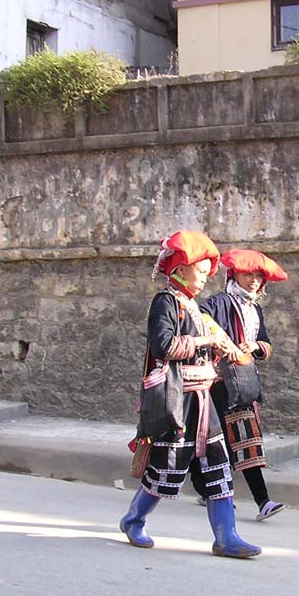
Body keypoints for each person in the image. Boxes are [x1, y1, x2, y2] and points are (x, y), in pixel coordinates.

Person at [119, 230, 261, 559]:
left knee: (218, 466)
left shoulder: (194, 308)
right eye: (200, 271)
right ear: (181, 269)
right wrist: (205, 342)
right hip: (178, 402)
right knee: (168, 468)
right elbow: (164, 346)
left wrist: (221, 346)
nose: (204, 279)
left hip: (203, 401)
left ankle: (227, 536)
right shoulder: (165, 302)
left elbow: (202, 349)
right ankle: (133, 518)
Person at [192, 248, 289, 521]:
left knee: (242, 440)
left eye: (259, 276)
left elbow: (266, 343)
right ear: (235, 275)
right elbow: (199, 317)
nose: (254, 281)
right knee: (219, 441)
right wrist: (225, 341)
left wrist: (255, 346)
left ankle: (260, 501)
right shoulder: (221, 302)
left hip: (243, 382)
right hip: (219, 383)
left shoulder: (255, 309)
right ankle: (221, 492)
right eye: (249, 275)